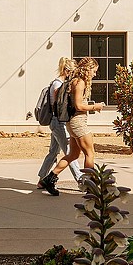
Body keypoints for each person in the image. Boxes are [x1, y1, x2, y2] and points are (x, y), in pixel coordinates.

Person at [38, 57, 106, 196]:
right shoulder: (80, 83)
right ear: (87, 69)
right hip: (78, 123)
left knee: (73, 154)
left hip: (72, 123)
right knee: (89, 153)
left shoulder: (74, 81)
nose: (94, 74)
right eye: (94, 71)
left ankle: (49, 179)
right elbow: (78, 105)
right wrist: (96, 106)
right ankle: (90, 186)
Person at [36, 58, 83, 189]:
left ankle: (42, 179)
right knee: (70, 152)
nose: (73, 75)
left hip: (57, 122)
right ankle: (81, 180)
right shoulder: (58, 85)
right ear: (67, 71)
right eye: (72, 72)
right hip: (58, 122)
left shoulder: (58, 83)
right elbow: (60, 105)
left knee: (53, 152)